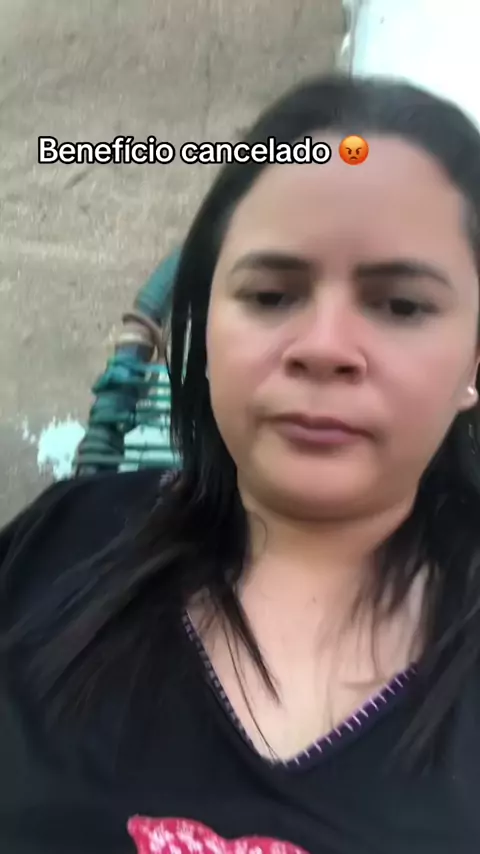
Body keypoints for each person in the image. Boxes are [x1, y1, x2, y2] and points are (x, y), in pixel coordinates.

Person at [2, 74, 480, 854]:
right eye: (270, 295)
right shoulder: (56, 552)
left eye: (401, 305)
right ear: (205, 326)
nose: (323, 348)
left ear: (475, 359)